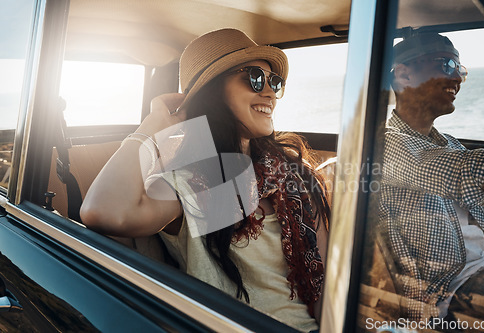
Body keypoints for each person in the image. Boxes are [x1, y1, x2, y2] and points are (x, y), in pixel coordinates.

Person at [80, 28, 330, 332]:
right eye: (253, 77)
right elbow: (104, 212)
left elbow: (328, 283)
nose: (268, 92)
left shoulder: (290, 172)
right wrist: (153, 125)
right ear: (212, 91)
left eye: (273, 82)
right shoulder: (191, 183)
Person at [377, 31, 484, 322]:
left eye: (461, 69)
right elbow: (459, 173)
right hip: (446, 292)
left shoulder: (451, 144)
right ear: (405, 76)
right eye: (446, 65)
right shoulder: (387, 144)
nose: (458, 78)